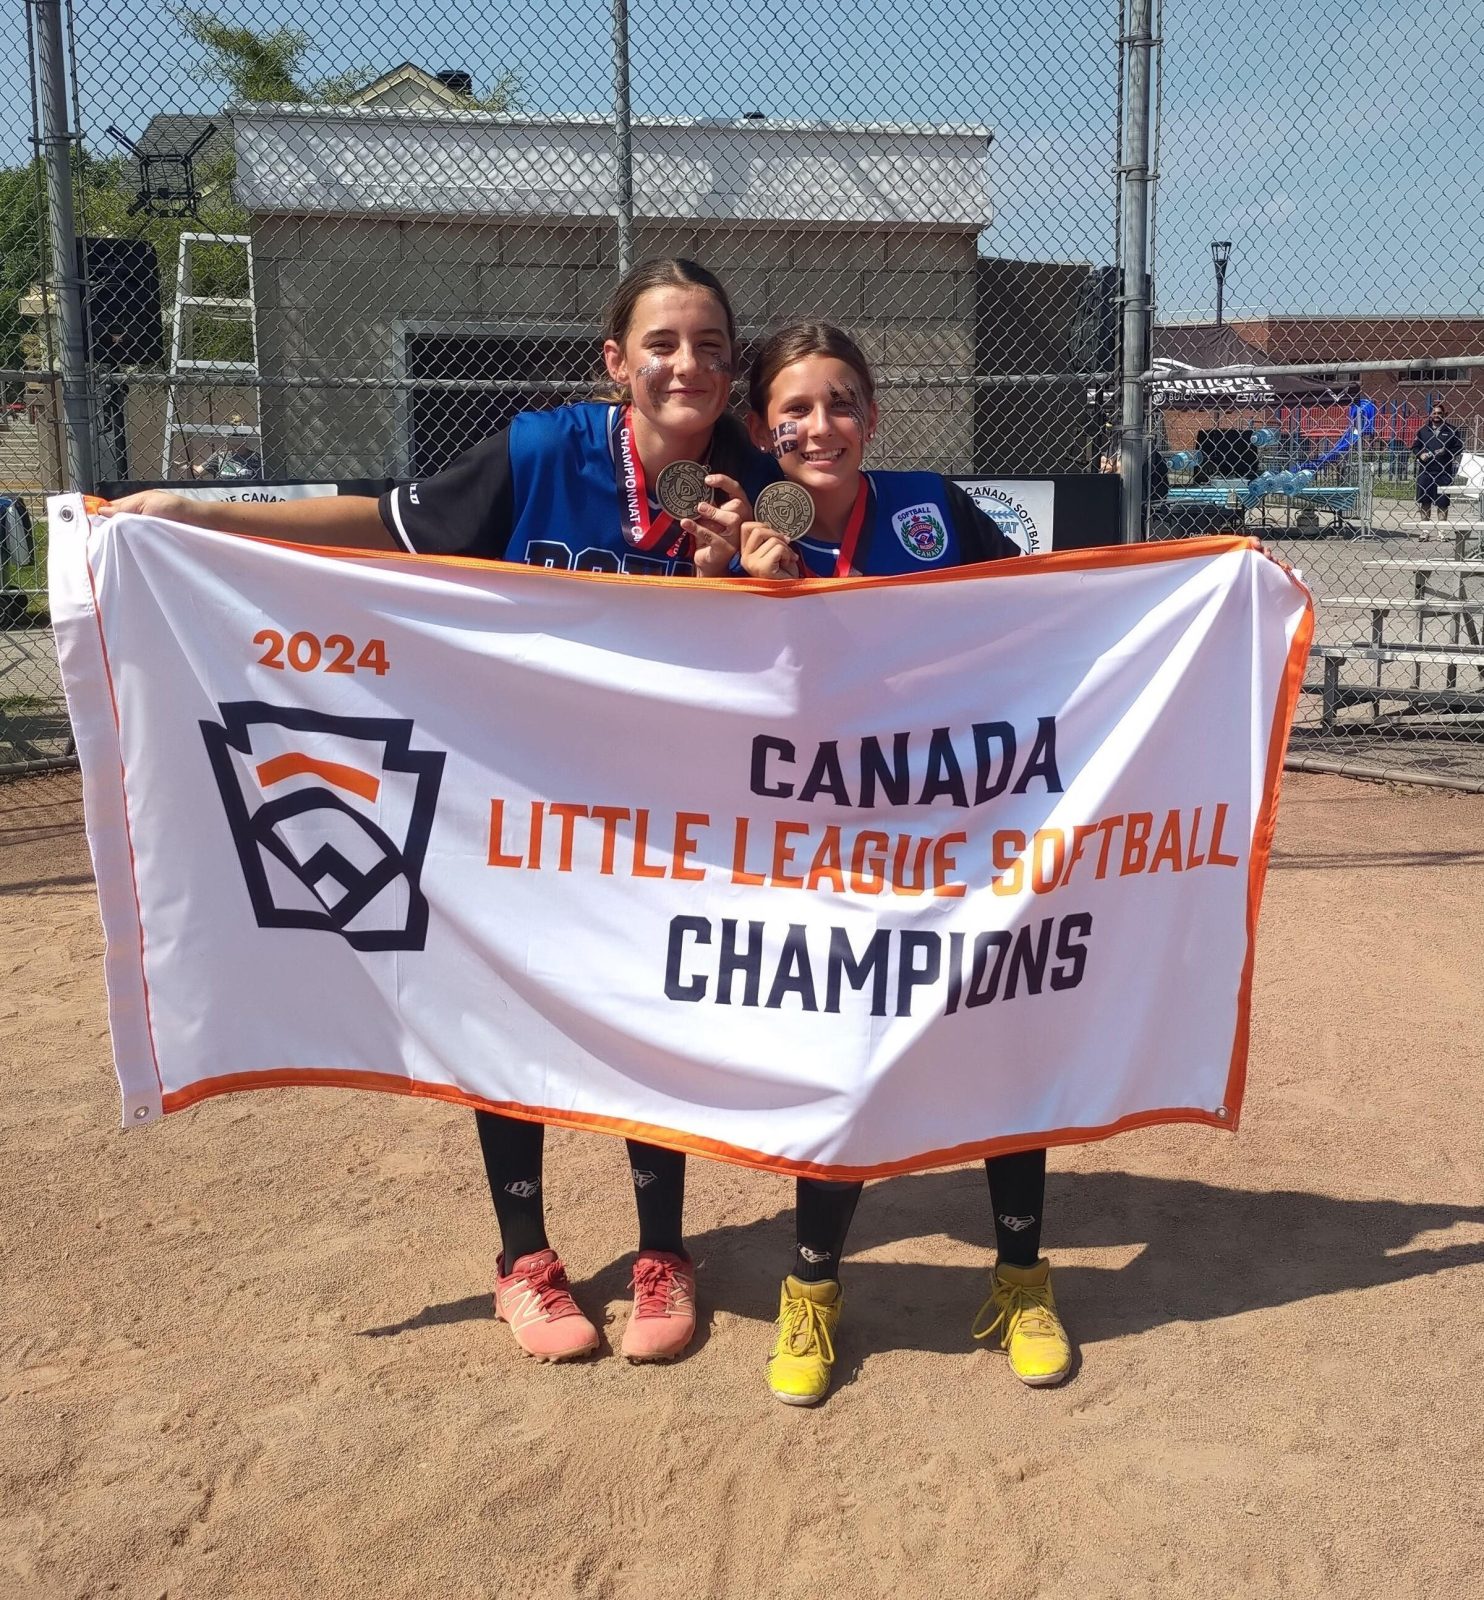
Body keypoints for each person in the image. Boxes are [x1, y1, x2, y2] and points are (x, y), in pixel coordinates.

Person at [107, 257, 779, 1365]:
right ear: (615, 363)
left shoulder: (753, 481)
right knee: (506, 1012)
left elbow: (825, 639)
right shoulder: (540, 455)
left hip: (669, 816)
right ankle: (525, 1259)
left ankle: (664, 1250)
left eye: (711, 345)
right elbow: (383, 524)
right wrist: (202, 514)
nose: (688, 365)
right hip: (516, 803)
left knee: (650, 1010)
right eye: (662, 342)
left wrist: (756, 580)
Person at [736, 321, 1074, 1406]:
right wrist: (752, 599)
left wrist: (1212, 581)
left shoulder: (929, 509)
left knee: (997, 1040)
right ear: (761, 429)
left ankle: (1021, 1276)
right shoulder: (743, 536)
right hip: (826, 854)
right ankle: (812, 1291)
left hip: (961, 834)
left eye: (839, 403)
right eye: (793, 408)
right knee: (844, 1063)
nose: (818, 426)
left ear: (871, 416)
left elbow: (1044, 618)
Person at [1412, 401, 1464, 525]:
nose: (1436, 415)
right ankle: (1425, 530)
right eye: (1434, 413)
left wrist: (1446, 452)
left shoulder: (1452, 431)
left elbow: (1459, 447)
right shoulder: (1423, 431)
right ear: (1430, 415)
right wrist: (1420, 454)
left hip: (1443, 472)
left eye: (1439, 413)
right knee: (1425, 501)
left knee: (1443, 502)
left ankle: (1442, 531)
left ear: (1444, 415)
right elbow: (1415, 447)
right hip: (1426, 471)